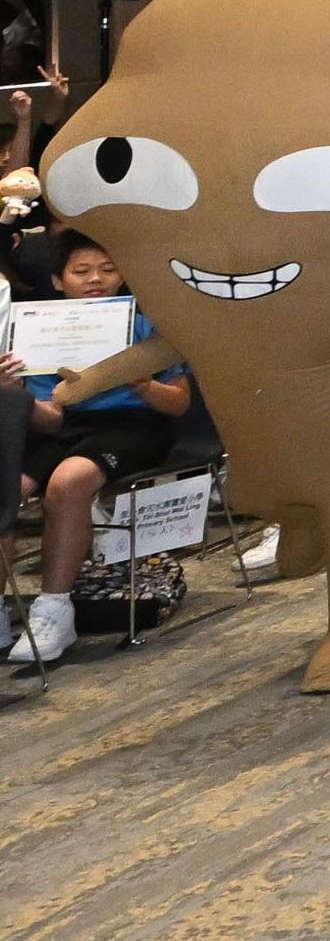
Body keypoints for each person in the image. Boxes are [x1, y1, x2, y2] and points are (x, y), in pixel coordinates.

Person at [4, 232, 193, 666]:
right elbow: (50, 418)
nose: (96, 280)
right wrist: (18, 393)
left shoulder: (143, 326)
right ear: (58, 280)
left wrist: (143, 384)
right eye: (82, 271)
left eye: (108, 270)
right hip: (61, 428)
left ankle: (54, 607)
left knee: (69, 482)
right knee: (6, 487)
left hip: (134, 424)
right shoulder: (37, 332)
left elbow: (179, 403)